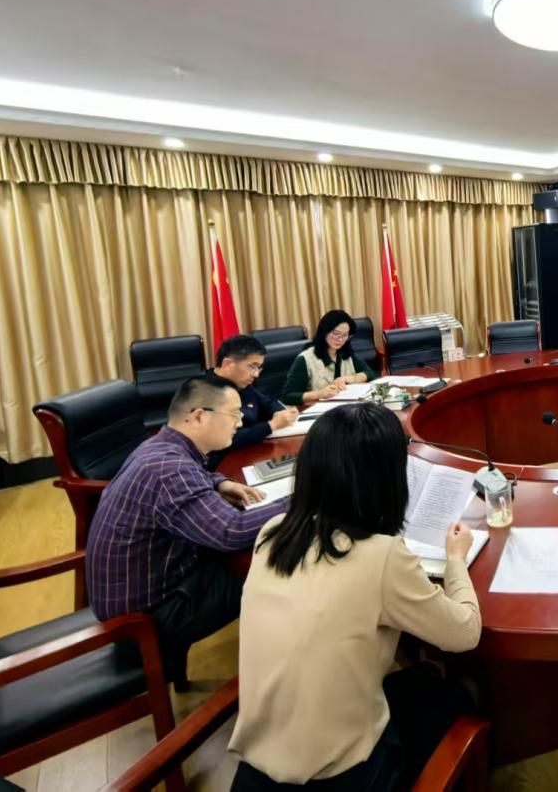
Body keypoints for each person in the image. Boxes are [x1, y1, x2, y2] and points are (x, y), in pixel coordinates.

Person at [230, 402, 480, 790]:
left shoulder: (273, 532)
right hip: (339, 777)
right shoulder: (381, 556)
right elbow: (465, 633)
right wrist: (455, 561)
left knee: (417, 680)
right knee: (455, 693)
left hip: (256, 769)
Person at [86, 375, 288, 681]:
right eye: (234, 414)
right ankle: (279, 672)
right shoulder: (170, 470)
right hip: (146, 619)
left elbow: (193, 477)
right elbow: (231, 532)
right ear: (199, 416)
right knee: (272, 567)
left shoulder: (159, 446)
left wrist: (219, 482)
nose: (240, 422)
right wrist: (302, 498)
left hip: (142, 592)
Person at [209, 334, 300, 460]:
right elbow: (225, 440)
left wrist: (282, 413)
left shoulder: (242, 384)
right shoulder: (204, 391)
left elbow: (268, 403)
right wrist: (271, 425)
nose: (256, 374)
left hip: (252, 452)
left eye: (259, 368)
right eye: (252, 366)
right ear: (227, 364)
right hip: (225, 461)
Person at [280, 309, 378, 406]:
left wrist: (350, 378)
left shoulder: (345, 352)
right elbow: (287, 396)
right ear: (324, 332)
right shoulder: (305, 359)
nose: (340, 339)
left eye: (345, 335)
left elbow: (371, 374)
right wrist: (319, 393)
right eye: (336, 334)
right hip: (317, 409)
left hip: (344, 407)